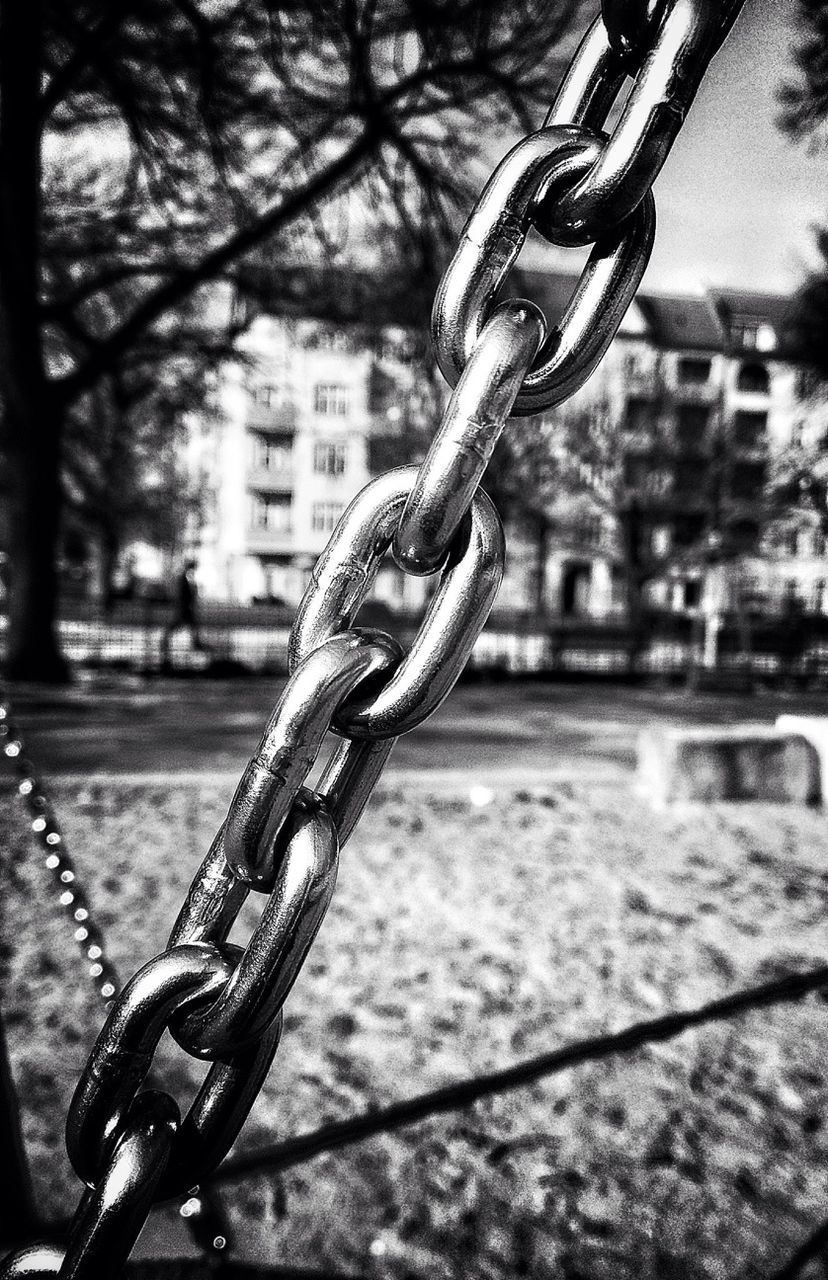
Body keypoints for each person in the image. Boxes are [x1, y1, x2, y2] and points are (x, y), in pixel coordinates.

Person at [160, 559, 205, 669]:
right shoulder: (183, 578)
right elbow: (183, 595)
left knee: (191, 625)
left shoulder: (185, 578)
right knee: (180, 625)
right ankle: (165, 643)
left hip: (185, 608)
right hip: (184, 608)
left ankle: (195, 642)